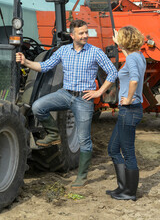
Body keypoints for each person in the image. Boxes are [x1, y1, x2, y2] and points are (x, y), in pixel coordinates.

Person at [16, 19, 118, 188]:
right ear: (73, 35)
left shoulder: (95, 52)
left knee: (84, 139)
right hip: (65, 94)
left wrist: (100, 92)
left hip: (83, 99)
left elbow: (112, 72)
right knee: (38, 106)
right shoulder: (63, 51)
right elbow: (45, 66)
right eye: (82, 33)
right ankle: (54, 134)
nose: (85, 35)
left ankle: (82, 175)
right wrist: (26, 62)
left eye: (86, 32)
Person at [106, 26, 146, 201]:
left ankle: (130, 192)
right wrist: (119, 43)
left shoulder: (131, 60)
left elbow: (134, 79)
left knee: (128, 151)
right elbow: (132, 65)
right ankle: (122, 187)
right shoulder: (139, 56)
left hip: (129, 109)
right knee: (113, 149)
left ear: (125, 41)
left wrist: (128, 98)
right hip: (130, 111)